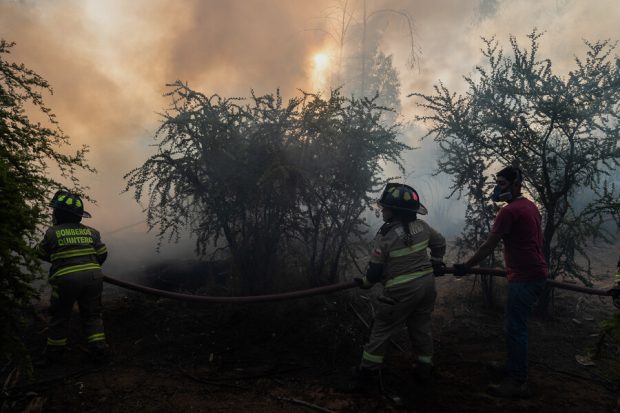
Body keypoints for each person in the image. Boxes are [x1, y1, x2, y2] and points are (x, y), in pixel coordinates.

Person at [453, 165, 547, 398]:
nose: (498, 188)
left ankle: (517, 381)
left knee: (516, 328)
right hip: (531, 274)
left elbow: (489, 245)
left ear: (517, 184)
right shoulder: (530, 206)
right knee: (513, 324)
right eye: (498, 183)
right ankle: (513, 367)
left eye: (503, 184)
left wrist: (466, 266)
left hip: (525, 277)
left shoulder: (509, 211)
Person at [350, 183, 446, 392]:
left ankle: (367, 374)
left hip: (401, 291)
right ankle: (424, 368)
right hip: (427, 286)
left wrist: (365, 284)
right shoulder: (423, 227)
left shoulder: (385, 237)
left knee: (382, 328)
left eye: (385, 208)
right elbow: (439, 242)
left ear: (395, 211)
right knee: (420, 327)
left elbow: (374, 273)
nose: (382, 211)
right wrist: (437, 262)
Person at [36, 190, 110, 365]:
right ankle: (100, 352)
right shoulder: (92, 232)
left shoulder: (52, 232)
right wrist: (90, 266)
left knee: (60, 315)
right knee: (92, 315)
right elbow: (103, 253)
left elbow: (41, 252)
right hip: (93, 277)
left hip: (66, 280)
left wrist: (60, 259)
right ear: (79, 217)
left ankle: (54, 356)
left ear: (57, 214)